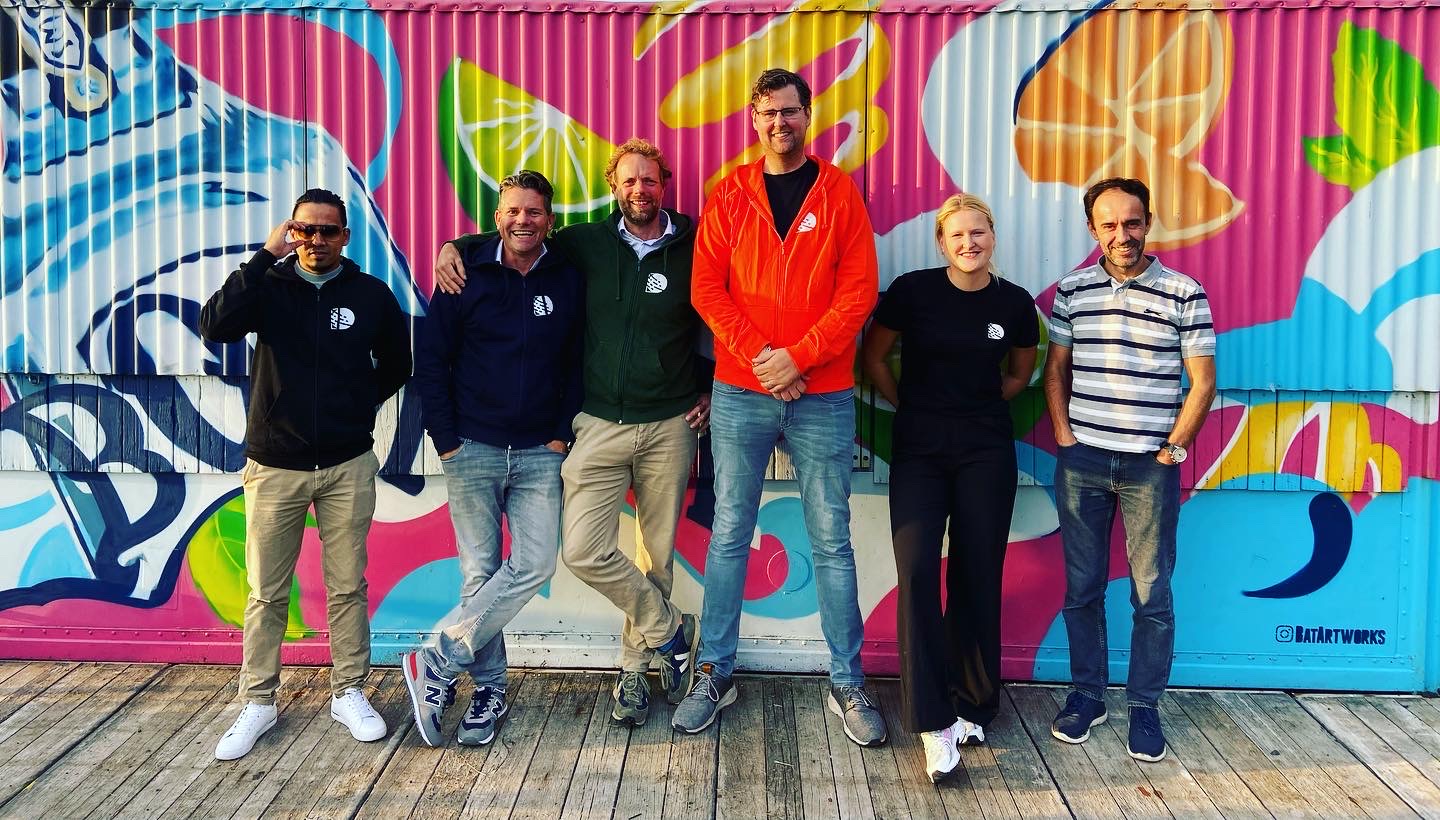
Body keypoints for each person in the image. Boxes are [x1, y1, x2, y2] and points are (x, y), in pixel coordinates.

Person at [432, 139, 712, 728]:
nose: (640, 190)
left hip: (670, 422)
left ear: (664, 184)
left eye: (650, 180)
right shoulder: (583, 243)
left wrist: (711, 388)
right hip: (598, 424)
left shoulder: (697, 243)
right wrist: (454, 247)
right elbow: (516, 240)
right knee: (582, 549)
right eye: (629, 180)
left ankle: (635, 669)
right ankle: (670, 631)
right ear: (614, 187)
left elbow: (720, 315)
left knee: (656, 556)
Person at [678, 68, 885, 746]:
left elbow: (858, 292)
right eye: (767, 112)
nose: (779, 123)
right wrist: (766, 357)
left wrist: (800, 357)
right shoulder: (730, 193)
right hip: (742, 390)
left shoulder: (839, 194)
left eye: (789, 111)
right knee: (729, 533)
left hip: (822, 393)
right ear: (753, 118)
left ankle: (848, 681)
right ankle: (715, 672)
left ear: (807, 114)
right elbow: (707, 289)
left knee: (831, 540)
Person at [199, 188, 412, 761]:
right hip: (275, 465)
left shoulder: (370, 294)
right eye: (305, 230)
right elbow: (214, 325)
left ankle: (349, 691)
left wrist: (354, 407)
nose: (316, 240)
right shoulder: (267, 287)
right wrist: (263, 257)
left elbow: (398, 363)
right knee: (266, 591)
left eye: (327, 231)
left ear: (345, 237)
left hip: (347, 465)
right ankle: (257, 701)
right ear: (291, 232)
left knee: (347, 585)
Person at [400, 170, 585, 747]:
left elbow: (578, 360)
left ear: (549, 219)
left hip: (540, 452)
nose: (523, 221)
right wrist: (446, 440)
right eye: (512, 211)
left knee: (534, 564)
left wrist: (560, 434)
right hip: (472, 448)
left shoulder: (569, 275)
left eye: (534, 211)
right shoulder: (464, 273)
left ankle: (438, 657)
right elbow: (432, 360)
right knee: (479, 574)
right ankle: (489, 690)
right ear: (498, 216)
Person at [860, 194, 1038, 782]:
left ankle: (973, 704)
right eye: (957, 235)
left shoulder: (1014, 303)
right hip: (920, 449)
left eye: (978, 233)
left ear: (993, 237)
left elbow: (1020, 373)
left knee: (976, 572)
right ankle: (932, 721)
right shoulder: (912, 292)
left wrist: (974, 408)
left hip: (986, 449)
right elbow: (875, 358)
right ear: (942, 242)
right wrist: (912, 405)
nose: (968, 243)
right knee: (916, 573)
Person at [1042, 177, 1216, 762]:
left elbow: (1203, 381)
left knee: (1152, 594)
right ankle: (1087, 696)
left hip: (1150, 468)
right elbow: (1056, 370)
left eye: (1132, 222)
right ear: (1093, 229)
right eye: (1110, 224)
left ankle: (1144, 706)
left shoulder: (1184, 292)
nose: (1122, 234)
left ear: (1149, 223)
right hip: (1083, 462)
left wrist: (1173, 450)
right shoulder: (1072, 291)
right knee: (1082, 589)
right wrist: (1065, 437)